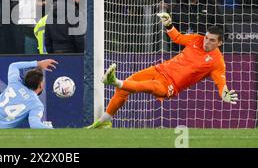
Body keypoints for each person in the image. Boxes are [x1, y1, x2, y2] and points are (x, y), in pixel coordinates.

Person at [87, 12, 239, 129]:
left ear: (219, 43)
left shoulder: (217, 62)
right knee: (125, 88)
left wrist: (225, 95)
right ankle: (104, 122)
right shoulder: (196, 39)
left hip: (171, 85)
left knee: (150, 87)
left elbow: (221, 84)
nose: (206, 41)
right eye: (207, 37)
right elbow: (177, 38)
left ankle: (114, 81)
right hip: (160, 69)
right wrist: (169, 25)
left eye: (212, 40)